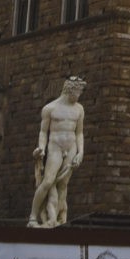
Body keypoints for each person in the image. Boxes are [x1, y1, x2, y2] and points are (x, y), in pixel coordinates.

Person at [28, 76, 86, 227]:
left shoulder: (79, 109)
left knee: (63, 184)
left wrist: (81, 152)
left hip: (71, 146)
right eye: (78, 92)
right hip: (55, 146)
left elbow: (79, 133)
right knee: (48, 181)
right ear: (69, 90)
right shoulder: (50, 108)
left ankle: (58, 219)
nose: (79, 96)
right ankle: (33, 217)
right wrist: (41, 148)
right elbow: (43, 132)